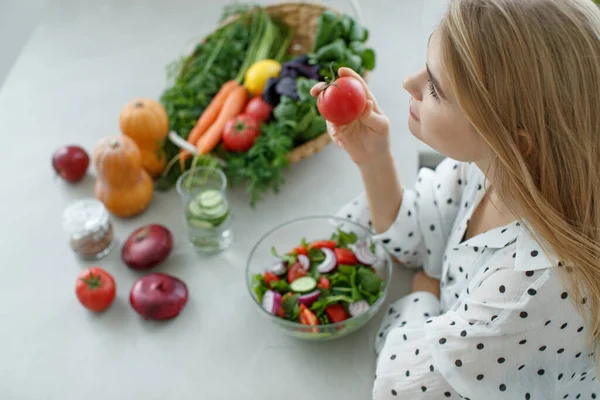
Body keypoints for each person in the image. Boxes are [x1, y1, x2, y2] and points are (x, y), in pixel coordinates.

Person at [311, 0, 600, 398]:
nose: (409, 84)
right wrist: (374, 160)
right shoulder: (495, 167)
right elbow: (421, 234)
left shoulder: (528, 290)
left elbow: (402, 389)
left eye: (434, 87)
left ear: (514, 140)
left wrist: (424, 297)